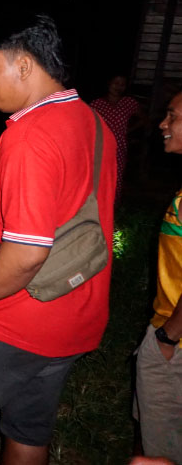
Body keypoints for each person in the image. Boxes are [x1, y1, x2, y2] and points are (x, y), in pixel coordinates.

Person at [0, 13, 117, 465]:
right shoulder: (95, 127)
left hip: (13, 318)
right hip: (74, 317)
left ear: (24, 66)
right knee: (28, 429)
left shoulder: (31, 136)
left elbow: (28, 251)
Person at [133, 90, 182, 463]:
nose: (163, 124)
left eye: (173, 116)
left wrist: (167, 336)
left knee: (158, 453)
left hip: (175, 346)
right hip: (167, 335)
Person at [90, 74, 143, 198]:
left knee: (115, 177)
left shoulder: (129, 103)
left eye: (122, 84)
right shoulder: (97, 104)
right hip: (99, 146)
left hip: (119, 146)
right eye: (116, 83)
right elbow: (87, 123)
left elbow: (143, 119)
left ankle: (113, 207)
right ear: (109, 84)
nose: (118, 87)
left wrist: (127, 131)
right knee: (96, 176)